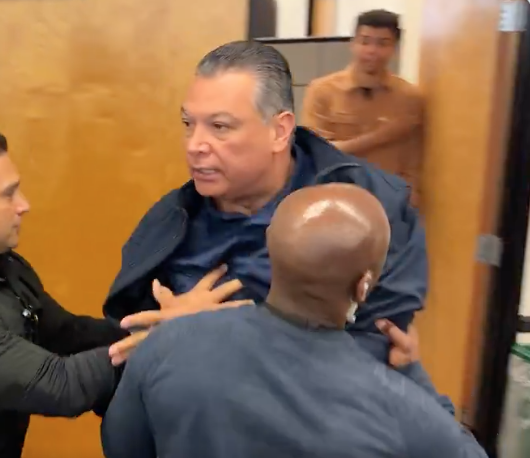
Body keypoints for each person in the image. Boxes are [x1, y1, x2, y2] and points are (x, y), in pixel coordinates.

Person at [102, 40, 445, 405]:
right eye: (189, 123)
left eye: (220, 126)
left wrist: (198, 335)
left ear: (280, 131)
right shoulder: (172, 222)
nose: (194, 145)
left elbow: (370, 355)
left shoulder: (372, 210)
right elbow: (131, 349)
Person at [0, 132, 241, 458]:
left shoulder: (5, 267)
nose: (24, 204)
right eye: (8, 194)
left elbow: (67, 334)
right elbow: (61, 386)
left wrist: (158, 325)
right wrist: (171, 333)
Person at [101, 184, 487, 458]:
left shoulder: (166, 344)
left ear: (272, 254)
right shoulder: (400, 410)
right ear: (364, 284)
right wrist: (414, 376)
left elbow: (120, 444)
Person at [301, 10, 424, 206]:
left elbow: (414, 161)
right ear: (353, 43)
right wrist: (382, 136)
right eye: (365, 41)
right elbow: (317, 153)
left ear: (395, 47)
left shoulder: (409, 97)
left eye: (382, 43)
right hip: (336, 200)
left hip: (389, 203)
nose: (372, 51)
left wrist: (409, 199)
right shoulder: (322, 91)